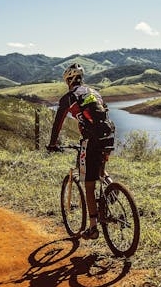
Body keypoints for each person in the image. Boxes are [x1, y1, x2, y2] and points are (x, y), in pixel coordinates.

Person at [47, 63, 115, 240]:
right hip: (108, 136)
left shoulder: (69, 98)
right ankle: (113, 189)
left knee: (89, 185)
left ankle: (92, 228)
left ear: (69, 81)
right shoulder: (94, 92)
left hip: (91, 141)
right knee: (100, 171)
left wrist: (52, 144)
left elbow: (58, 124)